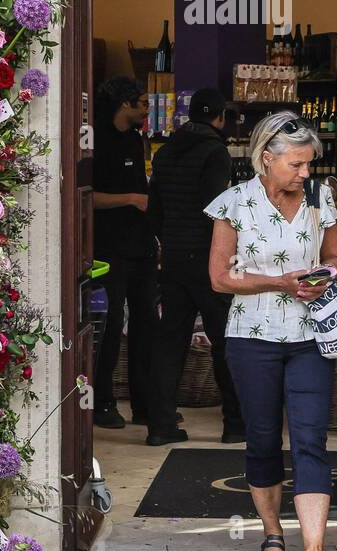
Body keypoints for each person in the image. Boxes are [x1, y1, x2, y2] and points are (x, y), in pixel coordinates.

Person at [205, 112, 337, 551]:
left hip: (311, 338)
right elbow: (220, 277)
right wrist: (279, 282)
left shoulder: (319, 198)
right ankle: (272, 533)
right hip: (252, 339)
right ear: (266, 158)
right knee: (263, 438)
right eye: (296, 164)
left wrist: (321, 278)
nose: (305, 173)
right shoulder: (234, 204)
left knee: (311, 439)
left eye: (309, 164)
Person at [146, 88, 245, 447]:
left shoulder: (167, 151)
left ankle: (160, 425)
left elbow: (154, 210)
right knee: (225, 339)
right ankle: (235, 424)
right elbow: (216, 208)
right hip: (206, 259)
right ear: (219, 117)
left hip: (172, 258)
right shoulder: (215, 152)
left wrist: (170, 240)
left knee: (169, 342)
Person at [92, 76, 159, 429]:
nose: (147, 110)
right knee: (111, 324)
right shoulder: (97, 139)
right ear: (125, 105)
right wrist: (132, 199)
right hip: (110, 247)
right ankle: (103, 402)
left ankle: (145, 405)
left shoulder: (136, 140)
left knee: (147, 324)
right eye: (144, 103)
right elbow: (88, 197)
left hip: (141, 246)